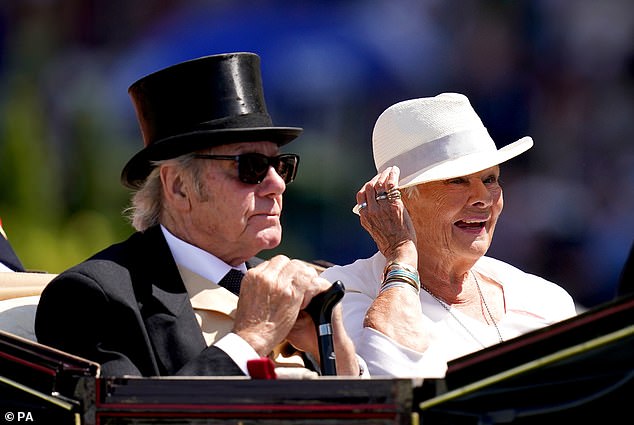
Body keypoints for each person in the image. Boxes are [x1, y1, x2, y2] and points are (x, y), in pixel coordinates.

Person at [35, 52, 363, 378]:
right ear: (178, 187)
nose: (276, 184)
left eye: (281, 165)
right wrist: (252, 339)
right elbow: (126, 418)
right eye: (251, 167)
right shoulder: (93, 299)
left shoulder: (290, 289)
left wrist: (331, 347)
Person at [321, 93, 577, 377]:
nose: (483, 198)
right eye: (457, 181)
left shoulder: (545, 299)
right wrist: (402, 253)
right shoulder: (340, 293)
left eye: (490, 179)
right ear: (398, 201)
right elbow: (390, 386)